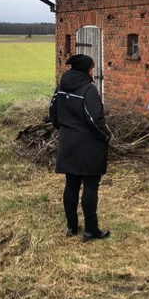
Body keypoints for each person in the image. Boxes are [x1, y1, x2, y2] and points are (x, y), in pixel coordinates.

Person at [49, 54, 111, 242]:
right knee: (90, 187)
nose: (94, 71)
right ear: (85, 69)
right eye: (92, 68)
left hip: (68, 143)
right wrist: (105, 137)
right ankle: (91, 231)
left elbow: (53, 112)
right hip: (88, 145)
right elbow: (95, 120)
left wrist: (65, 129)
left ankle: (71, 227)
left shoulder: (61, 86)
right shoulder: (88, 89)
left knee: (71, 184)